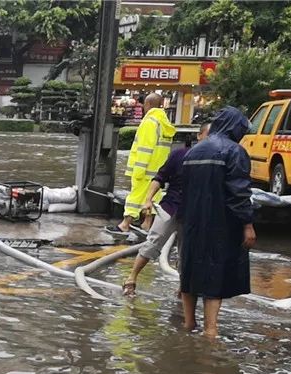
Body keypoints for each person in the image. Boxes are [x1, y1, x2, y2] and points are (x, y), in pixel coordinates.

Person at [178, 107, 256, 338]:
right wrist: (248, 224)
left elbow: (185, 190)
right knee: (216, 272)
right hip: (221, 224)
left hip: (192, 223)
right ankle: (210, 330)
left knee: (190, 270)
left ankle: (189, 324)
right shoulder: (234, 152)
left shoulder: (193, 152)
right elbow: (239, 192)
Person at [123, 122, 211, 296]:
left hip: (194, 213)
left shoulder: (214, 162)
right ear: (199, 136)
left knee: (187, 253)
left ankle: (182, 288)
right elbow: (159, 178)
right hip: (170, 207)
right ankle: (131, 278)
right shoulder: (179, 155)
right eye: (208, 135)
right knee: (152, 243)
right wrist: (148, 200)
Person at [108, 93, 176, 235]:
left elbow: (145, 149)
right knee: (153, 197)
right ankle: (147, 224)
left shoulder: (149, 122)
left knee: (135, 197)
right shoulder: (164, 123)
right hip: (157, 171)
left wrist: (138, 170)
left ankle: (125, 224)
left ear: (148, 105)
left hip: (144, 170)